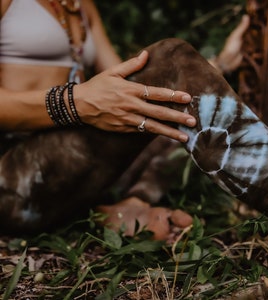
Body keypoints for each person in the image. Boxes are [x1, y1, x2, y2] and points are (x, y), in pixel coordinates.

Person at [0, 0, 249, 240]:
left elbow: (132, 85)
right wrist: (75, 102)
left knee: (181, 118)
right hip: (14, 175)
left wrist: (218, 65)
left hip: (71, 175)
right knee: (169, 59)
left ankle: (128, 204)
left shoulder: (81, 5)